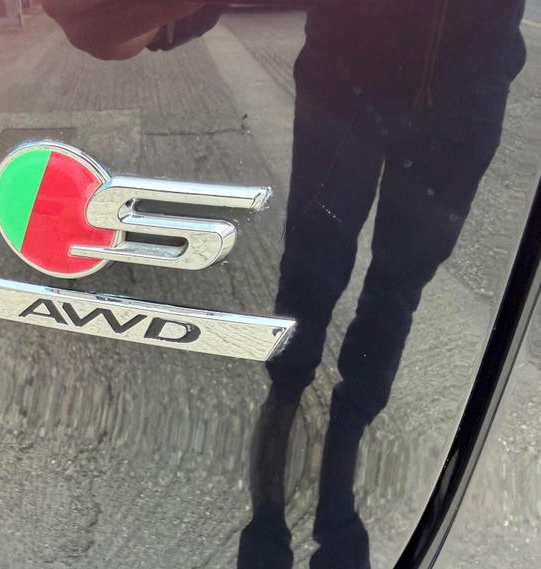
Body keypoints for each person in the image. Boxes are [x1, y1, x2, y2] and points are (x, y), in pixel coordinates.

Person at [41, 1, 527, 567]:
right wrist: (162, 19)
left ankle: (342, 446)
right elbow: (128, 26)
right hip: (351, 74)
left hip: (464, 91)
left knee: (396, 287)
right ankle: (288, 405)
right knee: (314, 270)